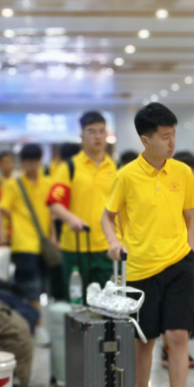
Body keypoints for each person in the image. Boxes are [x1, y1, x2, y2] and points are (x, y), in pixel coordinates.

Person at [102, 102, 194, 387]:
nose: (171, 143)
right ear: (146, 140)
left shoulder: (182, 173)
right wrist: (114, 241)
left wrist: (190, 251)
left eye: (173, 135)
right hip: (141, 269)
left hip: (178, 265)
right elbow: (107, 216)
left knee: (179, 336)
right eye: (164, 136)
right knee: (145, 341)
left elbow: (191, 216)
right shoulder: (126, 176)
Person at [47, 112, 117, 298]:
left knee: (107, 303)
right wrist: (71, 219)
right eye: (91, 131)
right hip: (75, 247)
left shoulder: (115, 168)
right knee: (76, 302)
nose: (97, 136)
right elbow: (54, 202)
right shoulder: (69, 167)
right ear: (82, 136)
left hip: (106, 247)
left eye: (101, 131)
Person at [0, 144, 55, 343]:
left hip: (43, 244)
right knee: (31, 288)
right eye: (27, 162)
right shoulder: (13, 184)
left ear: (40, 162)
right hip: (23, 244)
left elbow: (51, 213)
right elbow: (1, 211)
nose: (31, 166)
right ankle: (37, 326)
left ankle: (29, 324)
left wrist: (54, 237)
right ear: (21, 163)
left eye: (35, 161)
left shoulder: (48, 182)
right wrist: (2, 235)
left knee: (40, 289)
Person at [161, 150, 194, 370]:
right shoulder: (165, 193)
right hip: (166, 258)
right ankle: (167, 348)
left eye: (191, 172)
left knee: (185, 310)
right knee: (166, 309)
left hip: (190, 260)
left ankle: (179, 349)